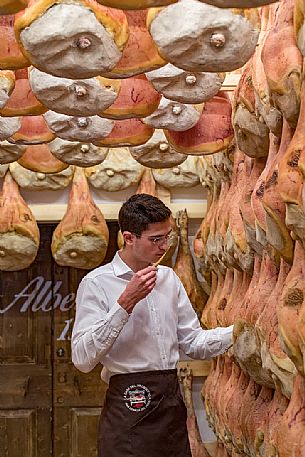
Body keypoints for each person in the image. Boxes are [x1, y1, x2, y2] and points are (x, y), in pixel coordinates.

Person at [71, 193, 234, 457]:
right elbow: (82, 358)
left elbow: (193, 343)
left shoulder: (169, 279)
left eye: (167, 237)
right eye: (156, 239)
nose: (164, 246)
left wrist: (238, 333)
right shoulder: (96, 283)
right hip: (127, 409)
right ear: (129, 238)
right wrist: (125, 302)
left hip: (171, 406)